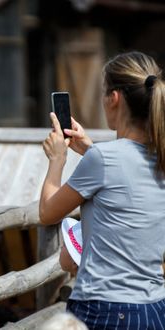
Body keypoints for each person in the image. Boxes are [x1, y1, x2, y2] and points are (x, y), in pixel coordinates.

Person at [39, 51, 165, 329]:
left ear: (115, 98)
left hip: (104, 309)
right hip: (155, 309)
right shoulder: (160, 156)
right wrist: (88, 148)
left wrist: (57, 159)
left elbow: (48, 212)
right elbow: (127, 179)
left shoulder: (104, 159)